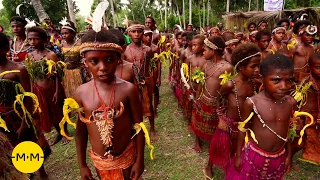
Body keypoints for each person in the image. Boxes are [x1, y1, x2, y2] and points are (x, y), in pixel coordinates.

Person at [74, 29, 145, 180]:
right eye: (94, 61)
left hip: (127, 159)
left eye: (109, 60)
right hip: (100, 164)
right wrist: (82, 165)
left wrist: (140, 160)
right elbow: (80, 132)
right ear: (85, 62)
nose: (103, 67)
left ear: (118, 59)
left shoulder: (128, 90)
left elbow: (139, 127)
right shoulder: (81, 93)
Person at [226, 54, 295, 180]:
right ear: (262, 79)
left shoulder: (290, 102)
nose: (284, 86)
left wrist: (289, 156)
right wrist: (238, 156)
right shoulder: (252, 103)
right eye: (276, 80)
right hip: (254, 155)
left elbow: (289, 131)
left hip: (278, 156)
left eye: (289, 80)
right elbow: (243, 130)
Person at [205, 43, 261, 179]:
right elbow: (219, 96)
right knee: (219, 147)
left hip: (243, 125)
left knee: (238, 149)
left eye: (258, 66)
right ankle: (209, 165)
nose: (257, 70)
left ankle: (231, 169)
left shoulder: (253, 83)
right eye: (253, 67)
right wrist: (220, 113)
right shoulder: (231, 84)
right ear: (241, 68)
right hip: (228, 123)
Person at [0, 32, 50, 179]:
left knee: (29, 142)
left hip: (20, 115)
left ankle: (42, 173)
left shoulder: (19, 69)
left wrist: (25, 122)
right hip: (3, 118)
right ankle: (26, 172)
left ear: (4, 49)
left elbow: (29, 97)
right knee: (12, 147)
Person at [25, 27, 67, 146]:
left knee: (57, 111)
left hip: (52, 88)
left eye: (36, 39)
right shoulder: (29, 56)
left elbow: (58, 75)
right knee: (46, 112)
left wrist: (58, 91)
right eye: (30, 39)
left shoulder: (51, 55)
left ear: (44, 40)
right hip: (38, 90)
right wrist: (32, 93)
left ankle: (64, 132)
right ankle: (58, 133)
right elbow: (30, 76)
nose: (32, 42)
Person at [191, 36, 233, 153]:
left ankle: (213, 143)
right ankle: (197, 140)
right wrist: (198, 98)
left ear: (213, 51)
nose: (203, 52)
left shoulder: (228, 67)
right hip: (203, 98)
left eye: (205, 49)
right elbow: (201, 83)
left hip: (216, 102)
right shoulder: (206, 65)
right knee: (198, 119)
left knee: (214, 125)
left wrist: (223, 104)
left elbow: (229, 89)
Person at [123, 22, 156, 141]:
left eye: (139, 31)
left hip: (145, 82)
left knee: (149, 105)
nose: (136, 34)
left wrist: (148, 79)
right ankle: (135, 128)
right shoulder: (125, 51)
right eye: (133, 31)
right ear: (129, 34)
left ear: (143, 33)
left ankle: (152, 128)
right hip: (131, 84)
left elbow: (150, 65)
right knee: (133, 107)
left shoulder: (148, 50)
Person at [295, 52, 320, 165]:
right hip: (306, 114)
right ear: (310, 67)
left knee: (313, 137)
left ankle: (312, 154)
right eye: (318, 67)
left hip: (317, 114)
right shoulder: (306, 81)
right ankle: (290, 157)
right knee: (301, 138)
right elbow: (297, 98)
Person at [60, 20, 88, 98]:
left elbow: (85, 57)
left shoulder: (80, 43)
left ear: (73, 34)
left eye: (66, 33)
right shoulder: (61, 44)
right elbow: (61, 59)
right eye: (62, 33)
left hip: (79, 71)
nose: (64, 35)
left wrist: (80, 65)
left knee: (80, 92)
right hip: (67, 72)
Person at [142, 27, 161, 116]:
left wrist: (158, 77)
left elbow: (158, 63)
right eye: (146, 36)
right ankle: (148, 109)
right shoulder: (140, 48)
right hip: (144, 73)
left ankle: (155, 108)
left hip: (154, 72)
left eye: (150, 36)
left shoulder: (155, 48)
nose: (148, 38)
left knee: (155, 90)